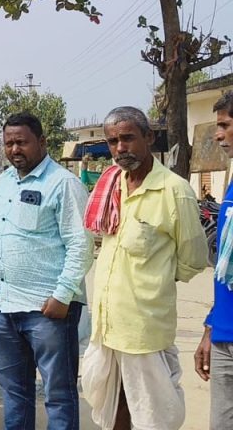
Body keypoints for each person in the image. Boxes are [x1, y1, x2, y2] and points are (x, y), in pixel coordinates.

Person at [81, 106, 207, 430]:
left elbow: (193, 259)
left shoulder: (174, 190)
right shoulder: (112, 184)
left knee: (153, 417)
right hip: (107, 326)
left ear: (149, 137)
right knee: (113, 407)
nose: (120, 148)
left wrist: (157, 276)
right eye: (113, 142)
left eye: (127, 138)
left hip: (144, 329)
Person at [0, 112, 93, 430]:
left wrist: (62, 295)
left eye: (22, 142)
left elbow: (81, 245)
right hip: (5, 307)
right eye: (9, 143)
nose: (15, 149)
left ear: (42, 142)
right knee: (14, 393)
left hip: (48, 311)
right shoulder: (3, 182)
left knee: (59, 395)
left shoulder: (64, 184)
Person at [199, 91, 233, 429]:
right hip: (225, 335)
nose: (217, 134)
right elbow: (225, 271)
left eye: (224, 125)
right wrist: (211, 327)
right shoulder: (231, 189)